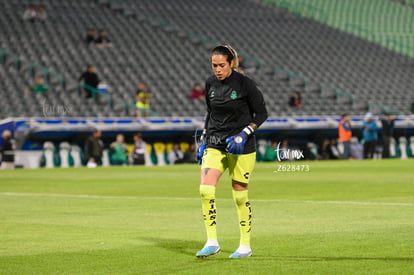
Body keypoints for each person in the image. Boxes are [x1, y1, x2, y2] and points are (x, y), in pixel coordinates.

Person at [195, 45, 268, 259]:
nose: (217, 69)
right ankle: (212, 242)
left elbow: (262, 113)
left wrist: (244, 133)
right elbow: (210, 112)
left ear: (231, 64)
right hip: (215, 143)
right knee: (205, 191)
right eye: (214, 65)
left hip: (241, 145)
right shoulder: (210, 83)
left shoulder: (245, 84)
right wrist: (204, 139)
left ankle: (245, 246)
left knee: (239, 195)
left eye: (221, 65)